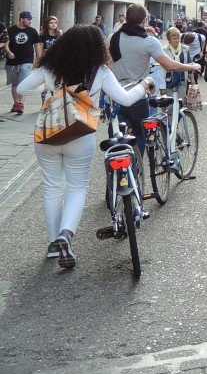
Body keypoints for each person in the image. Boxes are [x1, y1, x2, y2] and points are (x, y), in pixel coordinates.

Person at [17, 25, 156, 268]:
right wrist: (145, 84)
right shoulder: (100, 70)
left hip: (48, 133)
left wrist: (50, 88)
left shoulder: (50, 67)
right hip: (80, 135)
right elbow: (124, 98)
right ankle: (66, 234)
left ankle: (53, 244)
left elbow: (21, 89)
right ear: (97, 48)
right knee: (77, 188)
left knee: (52, 187)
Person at [110, 4, 200, 160]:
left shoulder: (113, 37)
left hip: (116, 94)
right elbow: (169, 65)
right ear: (145, 21)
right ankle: (136, 171)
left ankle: (117, 176)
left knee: (117, 136)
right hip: (138, 94)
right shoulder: (149, 42)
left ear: (126, 17)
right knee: (139, 134)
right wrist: (191, 66)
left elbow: (106, 64)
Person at [5, 11, 41, 115]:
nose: (30, 21)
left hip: (27, 61)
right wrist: (8, 52)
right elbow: (6, 43)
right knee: (15, 83)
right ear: (21, 19)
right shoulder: (10, 30)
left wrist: (38, 59)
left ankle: (21, 104)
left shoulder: (32, 31)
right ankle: (16, 103)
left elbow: (37, 45)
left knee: (23, 83)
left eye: (30, 19)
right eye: (28, 19)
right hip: (12, 61)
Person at [157, 27, 192, 100]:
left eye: (178, 38)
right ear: (169, 40)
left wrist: (192, 78)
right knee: (169, 104)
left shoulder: (185, 49)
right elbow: (160, 68)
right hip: (168, 80)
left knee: (181, 102)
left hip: (182, 79)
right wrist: (162, 87)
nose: (177, 40)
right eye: (174, 39)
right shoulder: (164, 51)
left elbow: (189, 64)